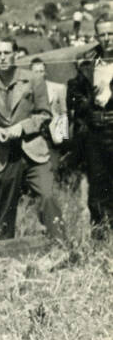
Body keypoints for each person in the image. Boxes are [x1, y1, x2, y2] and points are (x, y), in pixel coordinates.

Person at [0, 37, 66, 243]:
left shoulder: (33, 80)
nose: (3, 57)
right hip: (3, 153)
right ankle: (6, 254)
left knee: (47, 196)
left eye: (7, 53)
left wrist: (22, 127)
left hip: (33, 150)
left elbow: (45, 115)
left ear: (15, 54)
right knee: (5, 208)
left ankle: (60, 245)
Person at [66, 13, 113, 238]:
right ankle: (102, 243)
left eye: (111, 33)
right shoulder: (87, 65)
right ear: (96, 36)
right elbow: (74, 98)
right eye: (102, 34)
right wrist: (88, 103)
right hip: (95, 136)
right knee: (98, 192)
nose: (107, 38)